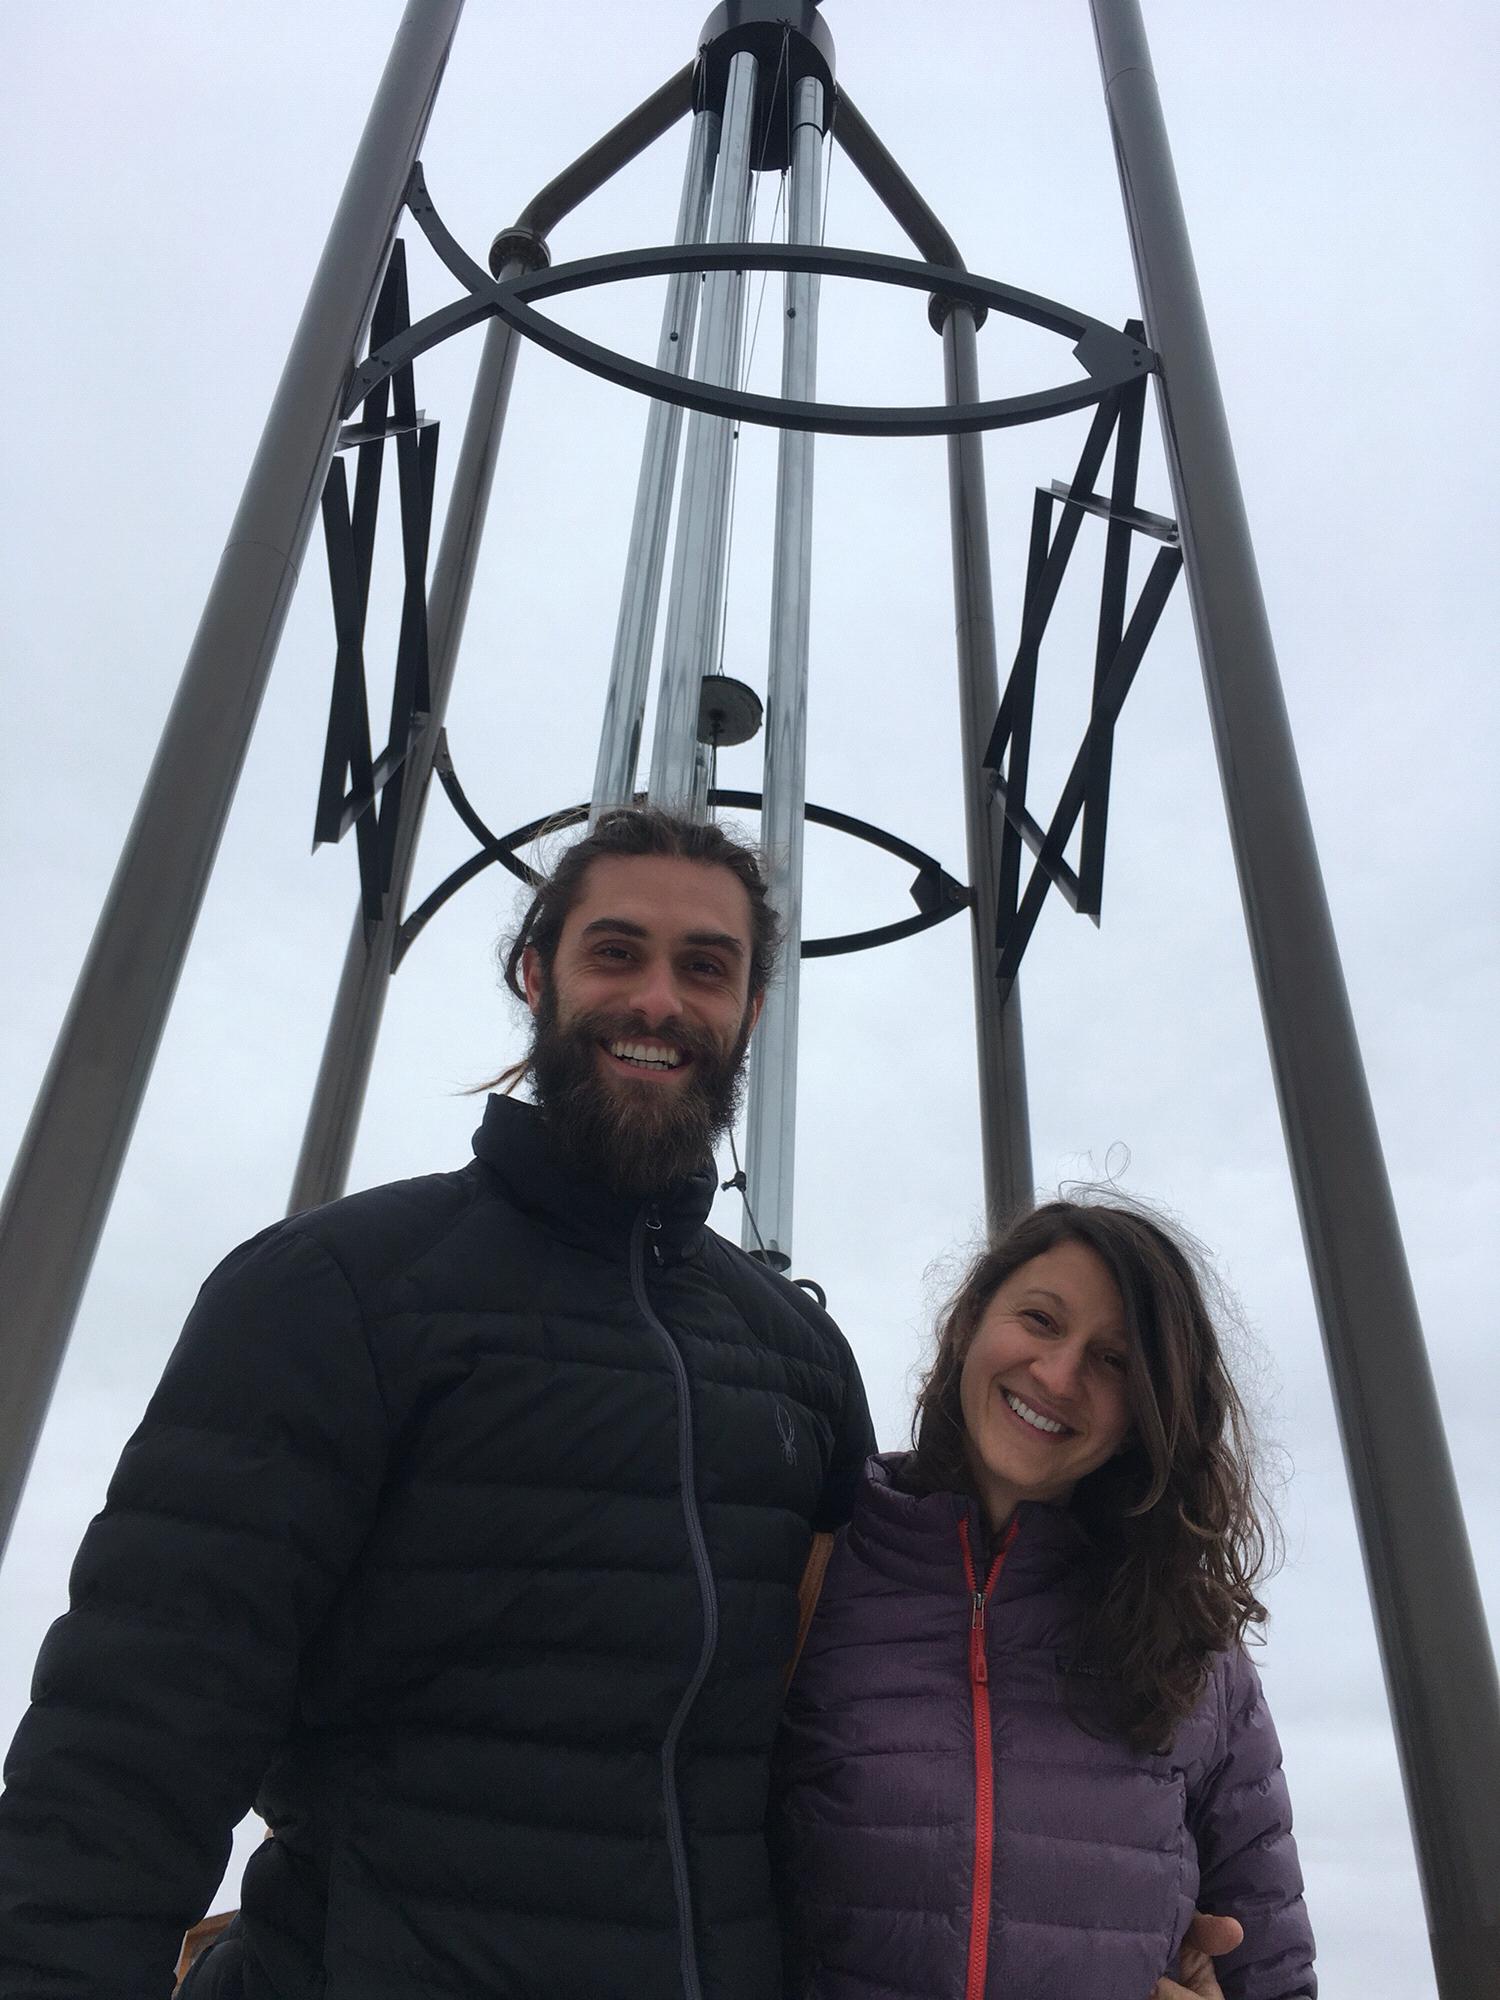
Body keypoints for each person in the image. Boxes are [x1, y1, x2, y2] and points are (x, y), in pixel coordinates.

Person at [0, 806, 874, 2000]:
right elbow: (139, 1727)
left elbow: (874, 1736)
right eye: (615, 951)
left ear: (751, 1011)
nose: (658, 1000)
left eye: (704, 967)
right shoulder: (333, 1289)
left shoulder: (802, 1363)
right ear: (537, 972)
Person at [773, 1200, 1315, 2000]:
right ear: (969, 1326)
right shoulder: (812, 1577)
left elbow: (1273, 1972)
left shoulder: (1194, 1654)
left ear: (1145, 1417)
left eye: (1114, 1361)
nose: (1059, 1376)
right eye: (1040, 1320)